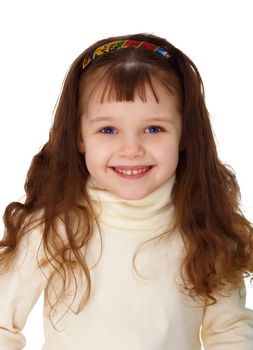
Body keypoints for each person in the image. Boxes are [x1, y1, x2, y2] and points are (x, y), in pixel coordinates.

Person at [0, 32, 253, 350]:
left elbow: (229, 332)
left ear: (185, 133)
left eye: (153, 129)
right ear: (79, 137)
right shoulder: (54, 229)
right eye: (108, 130)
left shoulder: (204, 231)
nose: (131, 148)